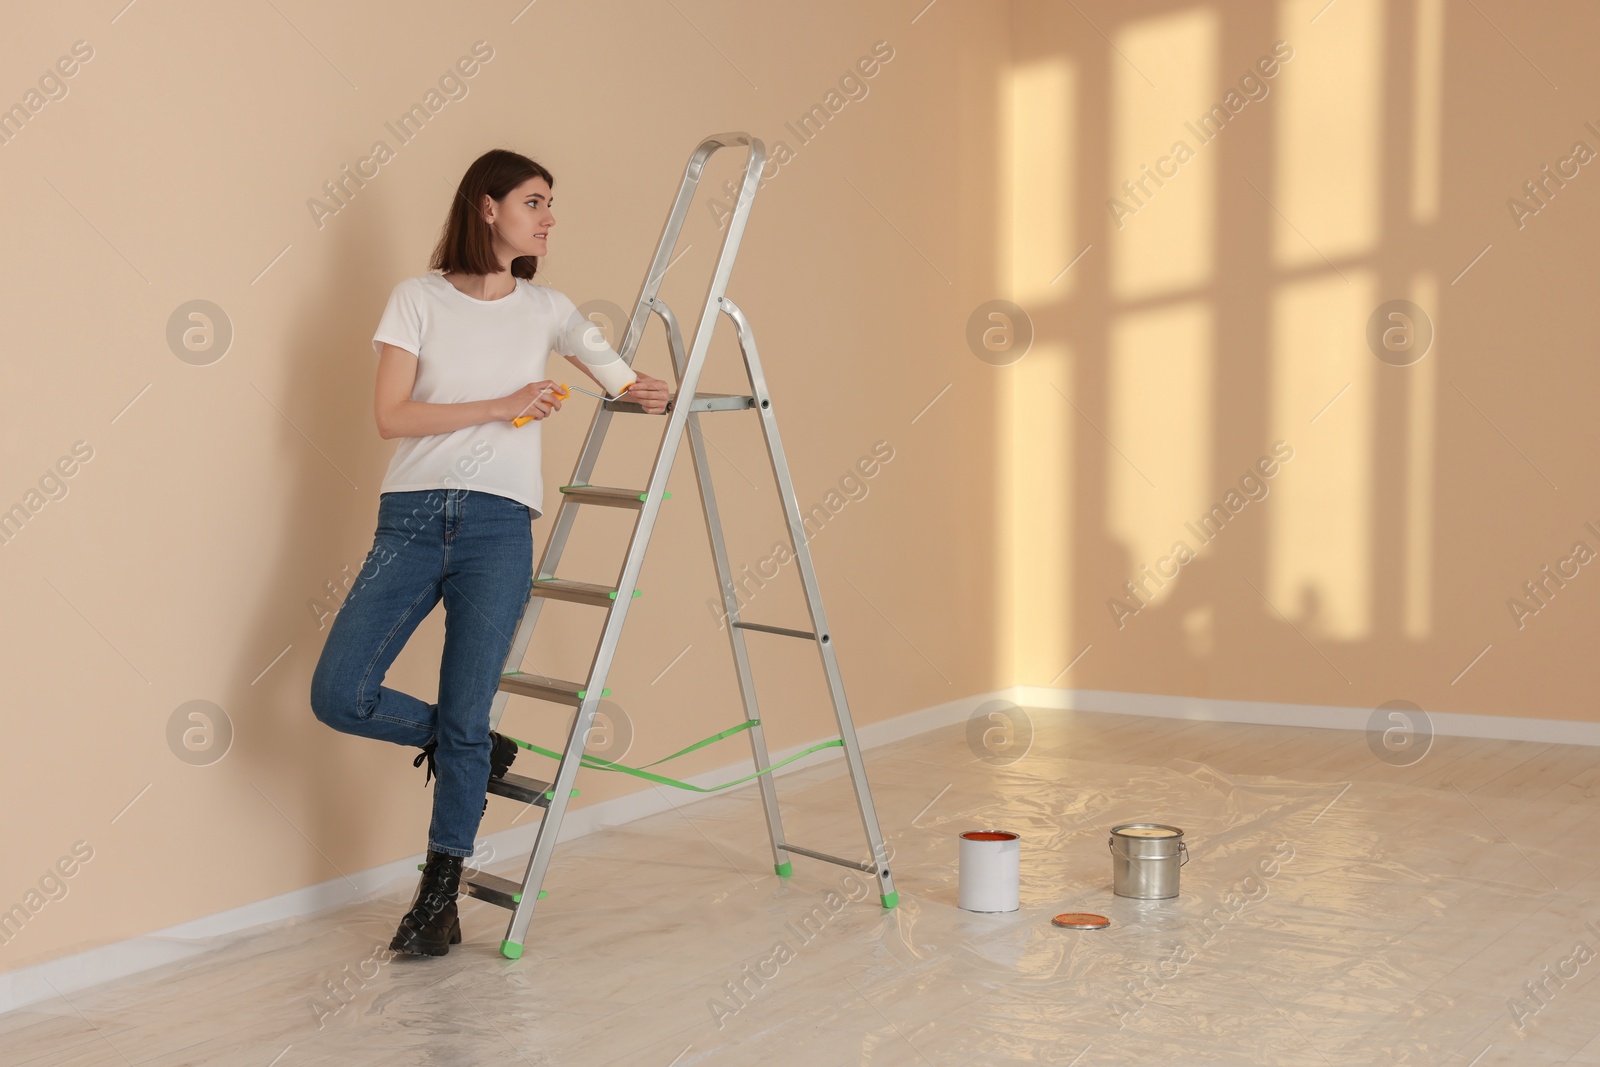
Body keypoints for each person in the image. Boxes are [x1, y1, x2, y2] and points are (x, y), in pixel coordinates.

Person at [309, 148, 670, 956]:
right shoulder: (416, 299)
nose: (548, 217)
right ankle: (464, 743)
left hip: (499, 528)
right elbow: (392, 417)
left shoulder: (547, 307)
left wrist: (659, 387)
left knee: (467, 711)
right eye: (535, 201)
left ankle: (439, 895)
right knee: (340, 691)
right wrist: (503, 404)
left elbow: (625, 379)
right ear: (486, 206)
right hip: (407, 520)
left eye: (550, 204)